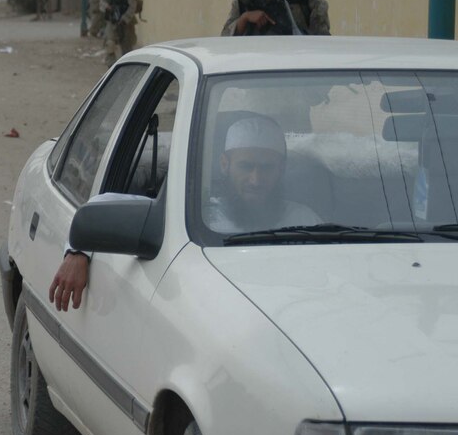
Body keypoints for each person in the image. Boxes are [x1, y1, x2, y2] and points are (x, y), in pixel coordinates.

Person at [48, 113, 320, 312]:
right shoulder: (199, 214)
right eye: (246, 167)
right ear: (225, 164)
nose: (256, 179)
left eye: (266, 168)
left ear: (281, 168)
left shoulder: (306, 220)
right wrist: (78, 251)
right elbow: (105, 205)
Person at [99, 0, 138, 67]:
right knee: (109, 44)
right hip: (113, 20)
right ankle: (111, 68)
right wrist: (107, 7)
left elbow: (133, 5)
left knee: (127, 48)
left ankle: (128, 68)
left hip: (126, 21)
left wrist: (125, 19)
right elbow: (101, 1)